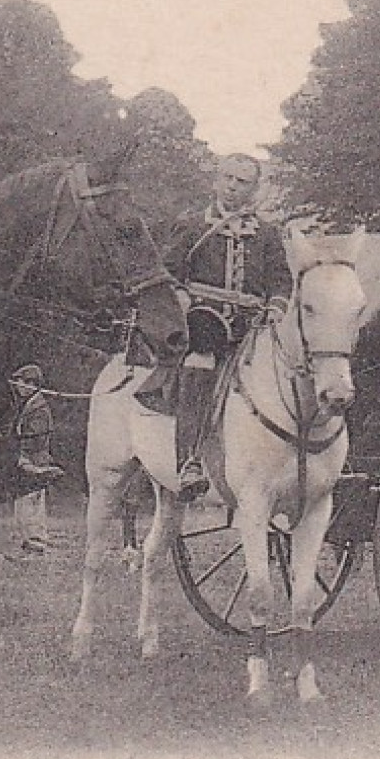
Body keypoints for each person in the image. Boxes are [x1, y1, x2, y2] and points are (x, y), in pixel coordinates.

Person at [145, 154, 288, 501]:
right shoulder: (193, 226)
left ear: (253, 189)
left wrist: (276, 306)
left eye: (242, 181)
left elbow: (281, 279)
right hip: (205, 319)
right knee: (200, 360)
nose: (233, 186)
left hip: (253, 325)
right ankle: (189, 460)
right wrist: (179, 296)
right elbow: (168, 272)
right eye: (228, 177)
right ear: (216, 180)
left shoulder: (266, 234)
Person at [4, 364, 65, 558]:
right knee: (24, 506)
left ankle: (35, 547)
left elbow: (36, 438)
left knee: (30, 506)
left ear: (32, 384)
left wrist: (16, 447)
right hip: (27, 461)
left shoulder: (38, 408)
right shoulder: (29, 405)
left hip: (35, 461)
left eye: (22, 383)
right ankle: (29, 545)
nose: (19, 387)